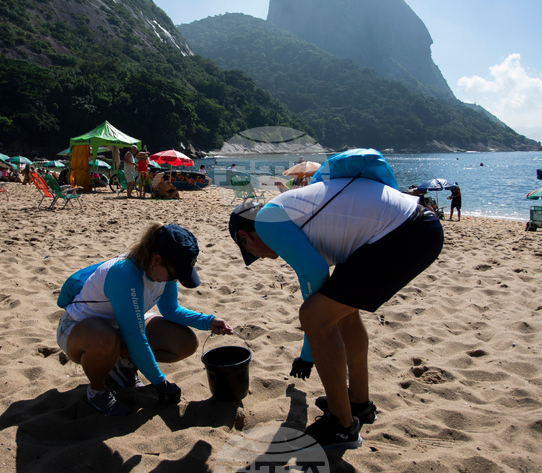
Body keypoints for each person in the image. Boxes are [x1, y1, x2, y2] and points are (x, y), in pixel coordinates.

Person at [228, 172, 444, 449]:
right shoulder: (289, 215)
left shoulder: (268, 222)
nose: (257, 257)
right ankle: (358, 403)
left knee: (315, 316)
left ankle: (342, 426)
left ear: (246, 235)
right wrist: (308, 348)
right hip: (414, 225)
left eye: (250, 252)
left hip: (402, 234)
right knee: (341, 313)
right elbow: (318, 285)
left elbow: (315, 277)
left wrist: (307, 355)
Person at [56, 224, 233, 415]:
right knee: (105, 339)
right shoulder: (125, 275)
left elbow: (171, 310)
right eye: (175, 274)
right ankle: (97, 391)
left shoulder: (161, 273)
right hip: (78, 330)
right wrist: (160, 382)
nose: (175, 280)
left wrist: (208, 321)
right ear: (156, 259)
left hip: (121, 326)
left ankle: (121, 363)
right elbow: (136, 337)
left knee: (186, 342)